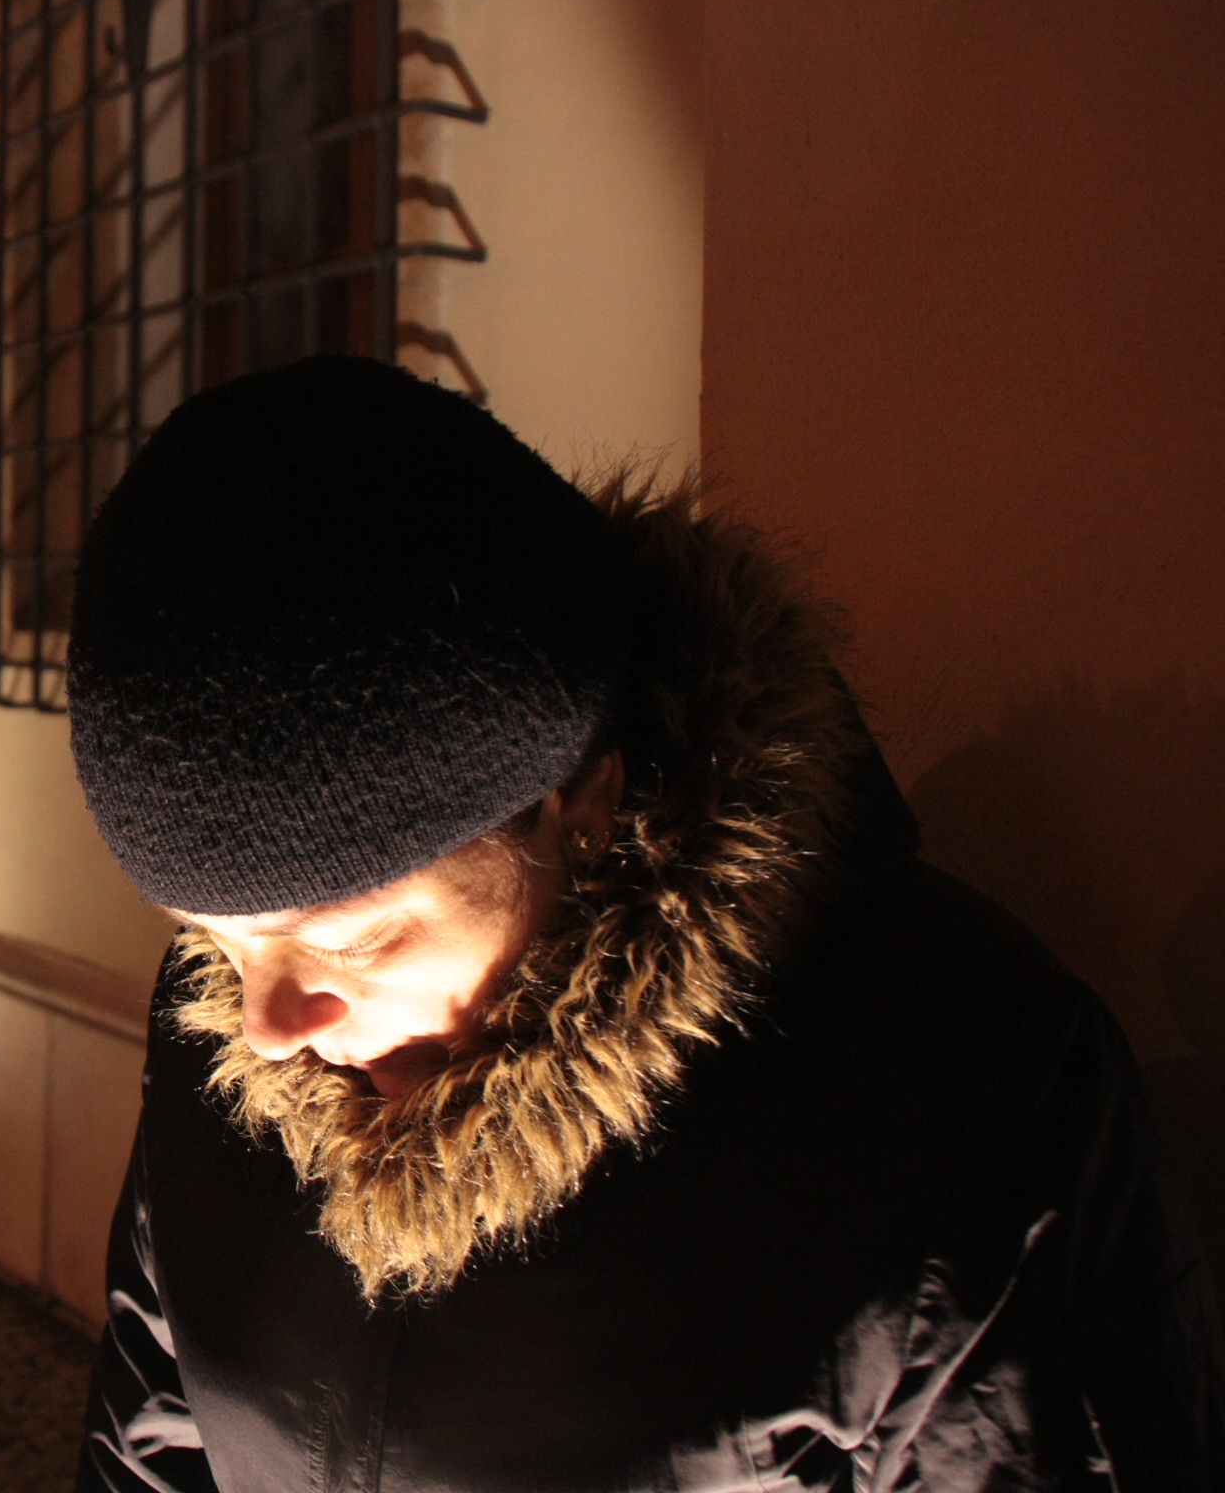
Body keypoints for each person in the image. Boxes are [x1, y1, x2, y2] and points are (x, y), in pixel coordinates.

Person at [67, 357, 1224, 1490]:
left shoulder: (974, 1090)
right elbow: (144, 1445)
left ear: (582, 802)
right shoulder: (219, 1045)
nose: (266, 1026)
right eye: (217, 936)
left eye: (349, 938)